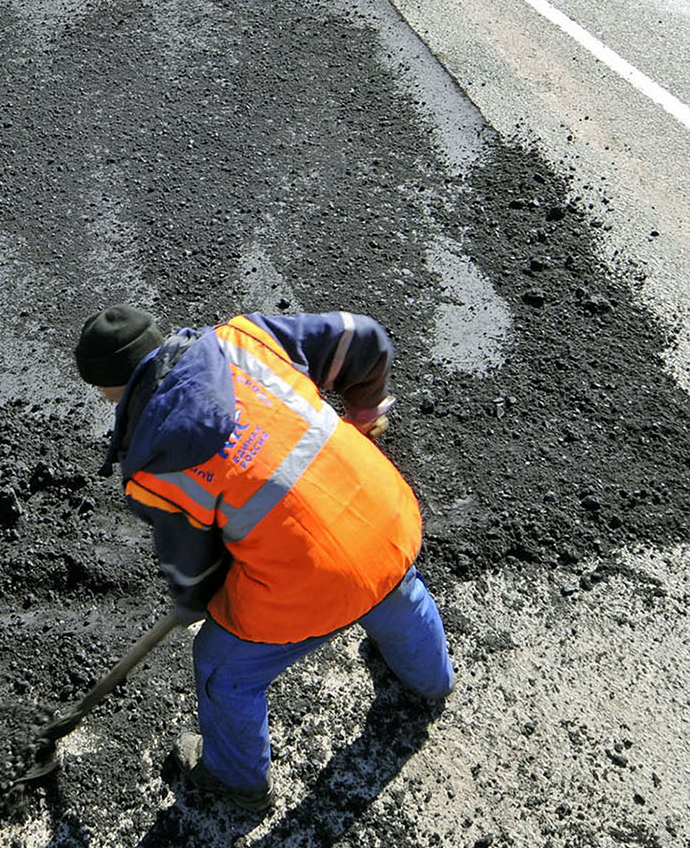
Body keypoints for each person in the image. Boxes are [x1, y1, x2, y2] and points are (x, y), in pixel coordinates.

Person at [74, 304, 454, 813]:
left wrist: (192, 601)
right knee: (393, 586)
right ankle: (431, 682)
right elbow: (358, 338)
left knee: (219, 663)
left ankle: (237, 781)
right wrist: (363, 414)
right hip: (386, 513)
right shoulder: (244, 339)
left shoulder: (153, 467)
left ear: (109, 390)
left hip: (315, 582)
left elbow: (195, 572)